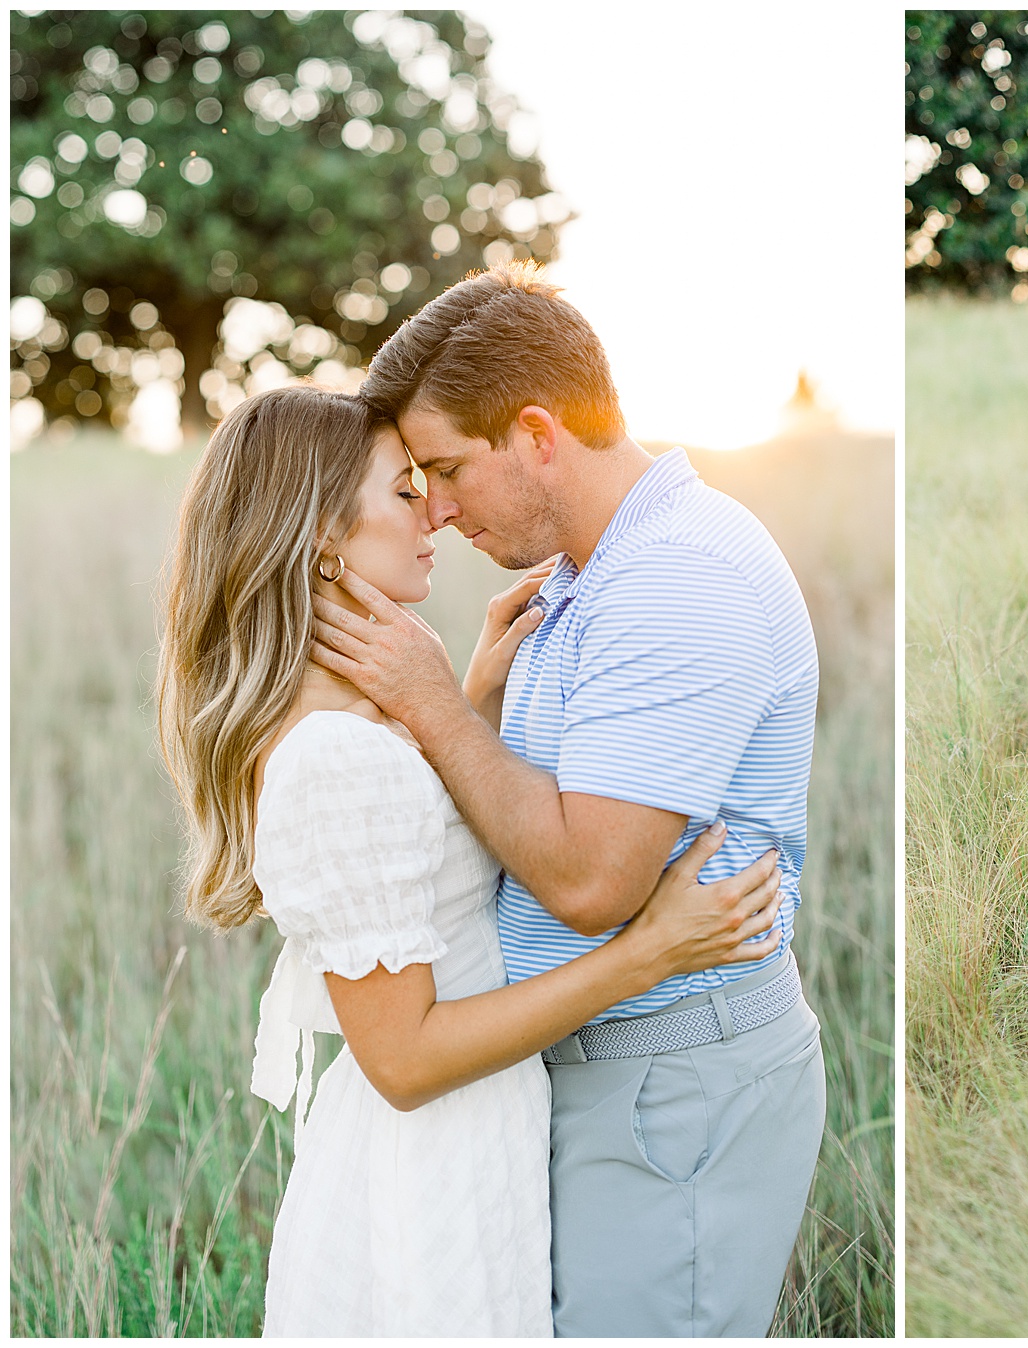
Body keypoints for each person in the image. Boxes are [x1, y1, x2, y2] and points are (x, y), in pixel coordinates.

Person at [156, 386, 783, 1336]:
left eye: (435, 479)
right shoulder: (331, 759)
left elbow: (432, 873)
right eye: (407, 490)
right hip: (430, 1167)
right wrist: (644, 953)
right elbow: (404, 1060)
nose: (434, 515)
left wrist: (466, 698)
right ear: (322, 536)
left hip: (479, 1132)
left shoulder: (366, 719)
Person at [309, 261, 827, 1337]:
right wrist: (470, 699)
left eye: (447, 468)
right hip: (602, 1067)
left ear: (538, 434)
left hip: (667, 1083)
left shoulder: (678, 575)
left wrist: (436, 709)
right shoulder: (596, 572)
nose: (436, 511)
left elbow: (595, 881)